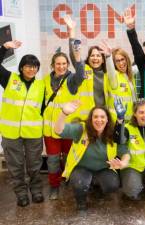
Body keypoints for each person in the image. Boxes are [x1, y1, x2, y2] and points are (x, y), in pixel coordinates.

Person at [54, 101, 130, 214]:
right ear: (91, 119)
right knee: (80, 183)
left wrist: (123, 163)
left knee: (112, 185)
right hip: (81, 168)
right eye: (95, 117)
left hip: (103, 169)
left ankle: (96, 186)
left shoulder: (114, 132)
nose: (99, 120)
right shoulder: (81, 129)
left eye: (102, 117)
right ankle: (81, 203)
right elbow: (58, 131)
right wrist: (64, 113)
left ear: (107, 119)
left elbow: (125, 151)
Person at [0, 40, 45, 207]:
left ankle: (36, 191)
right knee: (15, 166)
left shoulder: (41, 86)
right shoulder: (9, 79)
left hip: (33, 133)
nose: (31, 69)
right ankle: (21, 194)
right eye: (28, 66)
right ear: (21, 67)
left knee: (34, 165)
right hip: (10, 133)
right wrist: (4, 48)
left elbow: (44, 108)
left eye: (34, 66)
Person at [43, 50, 84, 200]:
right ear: (53, 65)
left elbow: (81, 75)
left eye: (64, 64)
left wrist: (78, 60)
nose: (61, 67)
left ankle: (67, 179)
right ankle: (54, 186)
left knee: (68, 157)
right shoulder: (45, 81)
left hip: (67, 129)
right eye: (58, 64)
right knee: (53, 160)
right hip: (50, 130)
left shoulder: (71, 80)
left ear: (68, 65)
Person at [64, 15, 115, 120]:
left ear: (102, 59)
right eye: (92, 55)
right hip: (85, 118)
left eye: (98, 55)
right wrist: (72, 32)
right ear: (88, 57)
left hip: (103, 118)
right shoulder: (83, 68)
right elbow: (74, 55)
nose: (95, 58)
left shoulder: (107, 73)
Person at [105, 45, 138, 121]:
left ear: (127, 59)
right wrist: (108, 57)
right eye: (117, 61)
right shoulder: (114, 76)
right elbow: (110, 69)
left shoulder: (129, 75)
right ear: (114, 63)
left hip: (131, 119)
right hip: (118, 121)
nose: (121, 63)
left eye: (122, 59)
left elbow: (139, 65)